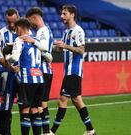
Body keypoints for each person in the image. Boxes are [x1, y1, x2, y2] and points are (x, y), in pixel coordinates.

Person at [50, 5, 96, 135]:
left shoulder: (78, 31)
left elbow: (81, 50)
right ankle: (90, 130)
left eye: (64, 14)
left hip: (74, 71)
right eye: (61, 14)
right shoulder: (66, 32)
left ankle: (52, 131)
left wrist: (65, 46)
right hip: (69, 71)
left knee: (62, 99)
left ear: (72, 15)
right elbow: (61, 48)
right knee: (77, 100)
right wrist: (48, 46)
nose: (61, 16)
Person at [6, 18, 43, 135]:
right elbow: (47, 52)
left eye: (16, 28)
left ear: (20, 28)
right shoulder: (35, 40)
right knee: (35, 109)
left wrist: (7, 58)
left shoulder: (19, 39)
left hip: (27, 79)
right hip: (39, 78)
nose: (15, 31)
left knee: (25, 110)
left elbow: (15, 58)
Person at [21, 7, 54, 135]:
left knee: (40, 105)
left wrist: (32, 41)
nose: (30, 24)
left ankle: (46, 132)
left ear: (34, 18)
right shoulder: (44, 30)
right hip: (43, 71)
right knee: (38, 105)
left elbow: (44, 48)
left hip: (42, 70)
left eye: (30, 21)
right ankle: (45, 132)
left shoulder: (42, 31)